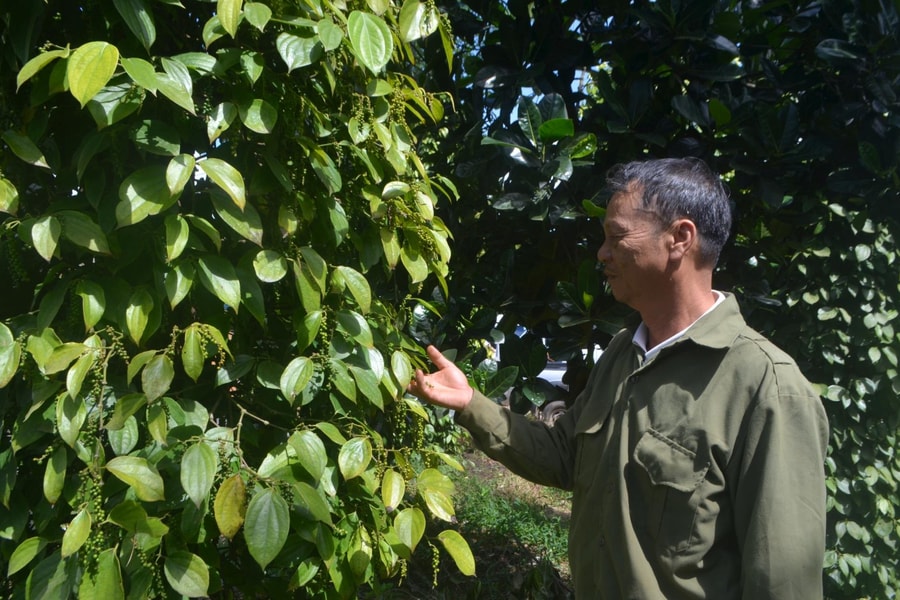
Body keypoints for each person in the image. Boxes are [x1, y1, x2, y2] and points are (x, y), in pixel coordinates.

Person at [408, 158, 829, 599]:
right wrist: (470, 403)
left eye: (617, 236)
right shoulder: (622, 354)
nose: (602, 253)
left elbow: (784, 584)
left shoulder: (766, 387)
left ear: (679, 238)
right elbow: (564, 456)